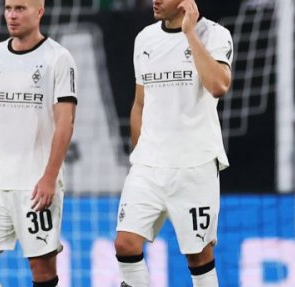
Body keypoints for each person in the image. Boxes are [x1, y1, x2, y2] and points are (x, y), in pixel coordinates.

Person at [0, 0, 78, 285]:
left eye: (20, 8)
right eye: (8, 8)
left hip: (36, 183)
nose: (12, 15)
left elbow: (66, 122)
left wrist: (49, 177)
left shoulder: (58, 58)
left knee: (42, 271)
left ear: (40, 12)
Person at [115, 0, 232, 286]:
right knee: (125, 244)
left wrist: (189, 34)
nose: (155, 0)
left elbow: (219, 86)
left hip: (195, 165)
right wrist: (139, 155)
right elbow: (140, 103)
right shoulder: (145, 38)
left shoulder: (215, 34)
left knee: (198, 257)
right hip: (148, 166)